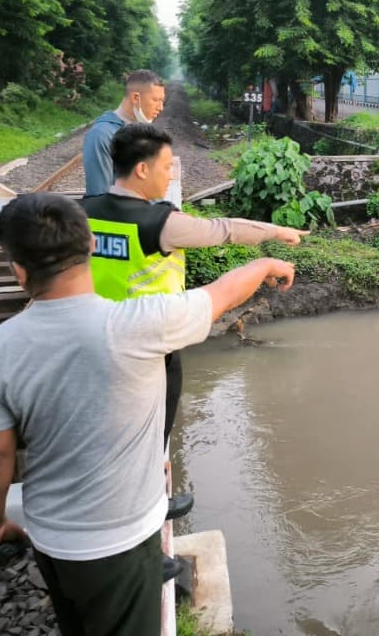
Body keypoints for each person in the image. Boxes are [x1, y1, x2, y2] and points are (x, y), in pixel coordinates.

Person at [0, 192, 295, 636]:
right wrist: (264, 266)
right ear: (89, 247)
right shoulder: (139, 325)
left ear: (18, 269)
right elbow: (221, 294)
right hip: (121, 539)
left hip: (49, 537)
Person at [81, 123, 308, 447]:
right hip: (152, 341)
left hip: (94, 336)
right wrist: (275, 232)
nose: (171, 175)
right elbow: (222, 229)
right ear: (142, 169)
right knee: (154, 430)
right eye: (166, 167)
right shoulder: (159, 223)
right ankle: (156, 493)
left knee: (105, 423)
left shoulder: (82, 212)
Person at [82, 70, 166, 196]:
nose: (161, 107)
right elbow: (99, 196)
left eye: (162, 101)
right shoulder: (102, 135)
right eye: (155, 100)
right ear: (135, 98)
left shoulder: (143, 131)